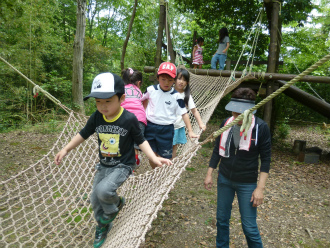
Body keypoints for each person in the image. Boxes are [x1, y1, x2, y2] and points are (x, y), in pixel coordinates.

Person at [54, 72, 172, 248]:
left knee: (103, 191)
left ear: (121, 98)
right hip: (104, 165)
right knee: (95, 199)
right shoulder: (96, 117)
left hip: (123, 165)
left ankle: (113, 207)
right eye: (98, 101)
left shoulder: (129, 119)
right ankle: (103, 225)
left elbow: (141, 140)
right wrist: (66, 149)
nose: (102, 106)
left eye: (108, 101)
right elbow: (83, 134)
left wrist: (154, 157)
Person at [204, 88, 271, 248]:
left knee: (249, 227)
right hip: (225, 179)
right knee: (221, 220)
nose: (236, 117)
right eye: (234, 113)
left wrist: (260, 188)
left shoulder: (260, 127)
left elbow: (266, 160)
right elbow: (216, 150)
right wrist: (209, 173)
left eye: (240, 114)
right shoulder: (227, 124)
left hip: (247, 183)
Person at [141, 62, 199, 169]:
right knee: (152, 155)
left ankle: (161, 174)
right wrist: (142, 114)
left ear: (174, 80)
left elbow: (184, 114)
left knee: (165, 156)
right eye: (163, 79)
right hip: (150, 126)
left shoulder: (176, 96)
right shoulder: (151, 90)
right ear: (158, 78)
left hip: (166, 130)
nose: (166, 82)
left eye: (170, 80)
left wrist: (190, 130)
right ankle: (155, 174)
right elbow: (141, 100)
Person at [172, 68, 206, 158]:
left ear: (187, 83)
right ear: (174, 80)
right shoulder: (169, 92)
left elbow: (194, 110)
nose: (181, 82)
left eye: (184, 80)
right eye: (179, 78)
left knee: (173, 148)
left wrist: (200, 123)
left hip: (177, 126)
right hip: (166, 125)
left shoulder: (186, 96)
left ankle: (169, 167)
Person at [121, 68, 146, 167]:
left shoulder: (121, 90)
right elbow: (143, 106)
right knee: (136, 144)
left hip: (124, 118)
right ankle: (134, 163)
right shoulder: (139, 92)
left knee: (124, 142)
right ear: (139, 83)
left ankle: (126, 163)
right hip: (139, 119)